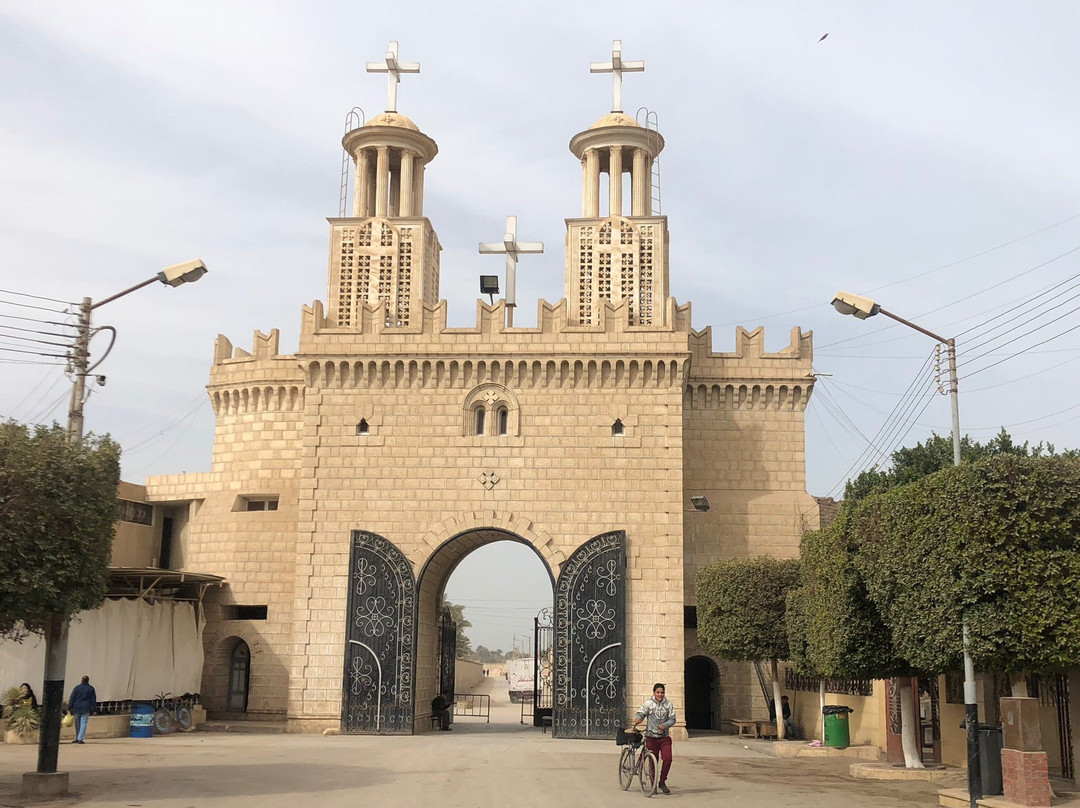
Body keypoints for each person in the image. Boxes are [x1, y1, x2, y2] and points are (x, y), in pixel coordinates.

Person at [632, 682, 677, 795]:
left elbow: (673, 719)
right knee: (653, 761)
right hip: (651, 738)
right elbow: (641, 712)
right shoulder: (648, 704)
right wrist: (639, 718)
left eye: (662, 692)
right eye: (658, 692)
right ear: (654, 693)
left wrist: (665, 725)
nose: (660, 694)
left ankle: (662, 782)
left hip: (664, 737)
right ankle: (653, 785)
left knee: (668, 759)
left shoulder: (669, 705)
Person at [68, 675, 96, 744]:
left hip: (76, 707)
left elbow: (72, 698)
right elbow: (93, 699)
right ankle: (80, 738)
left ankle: (77, 737)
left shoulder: (77, 688)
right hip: (86, 707)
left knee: (77, 723)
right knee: (83, 722)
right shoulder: (90, 688)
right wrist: (94, 708)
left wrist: (69, 707)